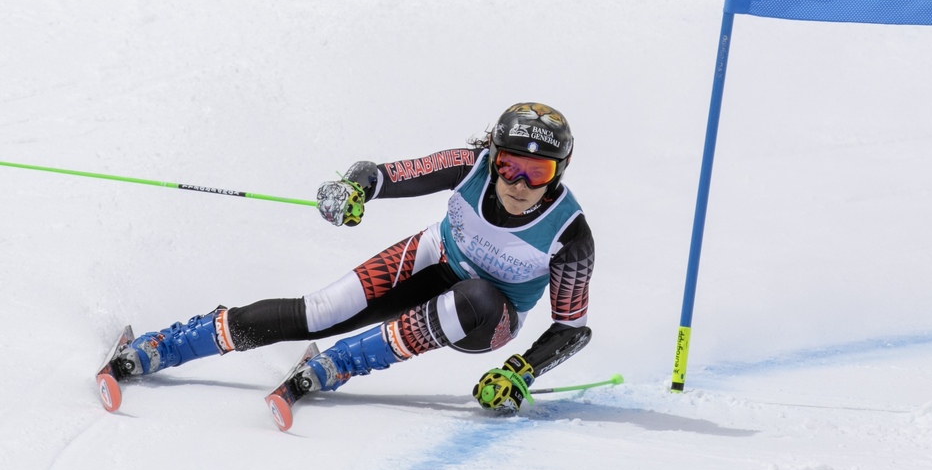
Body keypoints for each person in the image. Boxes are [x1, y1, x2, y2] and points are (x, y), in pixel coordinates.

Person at [113, 102, 595, 413]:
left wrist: (519, 371)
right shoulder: (467, 168)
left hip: (489, 320)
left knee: (478, 295)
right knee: (320, 311)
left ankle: (344, 362)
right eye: (509, 166)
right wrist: (352, 188)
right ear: (492, 156)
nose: (519, 184)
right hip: (433, 257)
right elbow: (384, 174)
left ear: (560, 171)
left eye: (538, 172)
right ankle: (165, 346)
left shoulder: (569, 235)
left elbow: (572, 327)